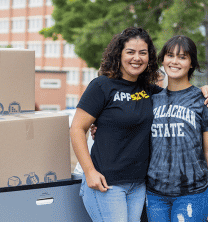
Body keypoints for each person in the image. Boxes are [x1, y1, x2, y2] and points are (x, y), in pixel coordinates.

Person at [70, 27, 161, 222]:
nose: (137, 58)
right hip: (106, 183)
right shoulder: (102, 86)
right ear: (119, 54)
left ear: (149, 58)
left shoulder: (149, 90)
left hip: (137, 184)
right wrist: (90, 171)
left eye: (142, 53)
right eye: (130, 52)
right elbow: (77, 129)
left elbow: (180, 94)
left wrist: (204, 90)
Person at [146, 35, 208, 222]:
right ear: (162, 60)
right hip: (154, 193)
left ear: (191, 64)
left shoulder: (203, 100)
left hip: (192, 192)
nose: (174, 61)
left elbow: (210, 150)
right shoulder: (152, 99)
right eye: (170, 55)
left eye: (182, 57)